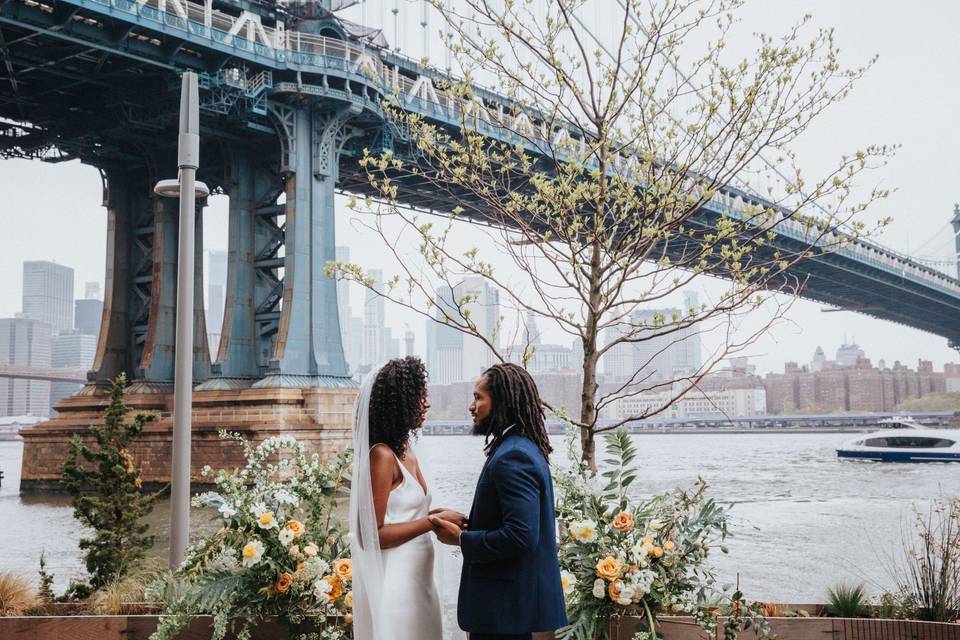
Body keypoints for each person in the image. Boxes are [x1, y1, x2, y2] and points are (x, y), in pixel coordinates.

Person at [431, 363, 568, 640]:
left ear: (502, 401)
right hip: (512, 609)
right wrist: (469, 522)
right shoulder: (521, 447)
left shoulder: (512, 456)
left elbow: (521, 536)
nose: (472, 406)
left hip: (505, 611)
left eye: (478, 397)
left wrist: (461, 539)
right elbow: (513, 522)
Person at [350, 356, 467, 640]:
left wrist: (442, 515)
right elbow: (370, 536)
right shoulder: (382, 455)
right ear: (399, 402)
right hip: (396, 583)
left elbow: (408, 512)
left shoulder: (408, 449)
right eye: (419, 396)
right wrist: (432, 522)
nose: (426, 403)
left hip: (421, 581)